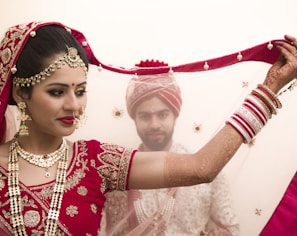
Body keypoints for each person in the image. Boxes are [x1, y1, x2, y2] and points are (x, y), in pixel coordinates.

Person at [0, 21, 296, 235]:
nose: (74, 106)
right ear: (21, 93)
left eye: (80, 91)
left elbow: (201, 168)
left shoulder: (96, 162)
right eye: (56, 92)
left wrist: (269, 90)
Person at [104, 60, 239, 235]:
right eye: (145, 116)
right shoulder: (120, 173)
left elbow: (231, 229)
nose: (154, 124)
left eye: (162, 114)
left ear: (175, 115)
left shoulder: (206, 167)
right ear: (134, 118)